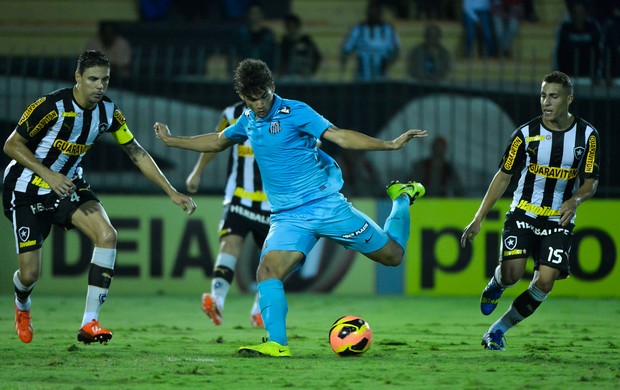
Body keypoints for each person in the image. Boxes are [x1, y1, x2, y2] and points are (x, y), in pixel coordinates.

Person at [154, 58, 428, 357]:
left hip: (326, 206)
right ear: (243, 97)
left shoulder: (296, 111)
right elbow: (218, 141)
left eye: (263, 97)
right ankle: (277, 343)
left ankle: (401, 198)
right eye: (251, 99)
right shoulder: (248, 119)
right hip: (288, 218)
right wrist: (171, 141)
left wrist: (389, 144)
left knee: (393, 256)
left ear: (272, 87)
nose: (259, 105)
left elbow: (339, 136)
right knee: (267, 270)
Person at [3, 50, 196, 345]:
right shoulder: (50, 107)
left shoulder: (108, 112)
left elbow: (136, 152)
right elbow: (12, 145)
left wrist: (171, 191)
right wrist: (49, 174)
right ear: (77, 78)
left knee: (107, 236)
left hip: (69, 186)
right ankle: (22, 305)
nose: (99, 86)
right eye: (93, 79)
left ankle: (89, 323)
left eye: (105, 80)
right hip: (27, 190)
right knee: (30, 274)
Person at [460, 71, 600, 351]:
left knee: (545, 282)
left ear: (569, 99)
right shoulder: (525, 134)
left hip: (557, 218)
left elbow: (591, 182)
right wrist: (478, 217)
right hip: (523, 212)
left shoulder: (588, 135)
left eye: (554, 96)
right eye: (543, 95)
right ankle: (498, 283)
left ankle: (497, 331)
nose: (546, 102)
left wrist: (576, 200)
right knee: (512, 274)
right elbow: (503, 176)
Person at [185, 101, 268, 327]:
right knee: (229, 244)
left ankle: (261, 310)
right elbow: (216, 142)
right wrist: (197, 171)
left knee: (272, 258)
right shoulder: (231, 113)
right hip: (239, 196)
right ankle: (217, 300)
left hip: (273, 203)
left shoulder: (284, 113)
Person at [340, 1, 401, 81]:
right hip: (362, 75)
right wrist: (344, 63)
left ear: (381, 13)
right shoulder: (358, 28)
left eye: (376, 11)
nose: (373, 14)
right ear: (367, 12)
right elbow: (347, 48)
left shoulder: (388, 29)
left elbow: (396, 50)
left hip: (382, 75)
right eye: (371, 11)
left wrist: (388, 63)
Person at [553, 0, 603, 82]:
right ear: (572, 13)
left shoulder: (593, 28)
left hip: (589, 79)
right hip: (568, 78)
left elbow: (599, 52)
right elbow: (558, 53)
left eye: (581, 12)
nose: (579, 15)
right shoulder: (564, 28)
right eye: (576, 12)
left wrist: (598, 75)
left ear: (586, 13)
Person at [232, 2, 278, 72]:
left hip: (265, 76)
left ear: (262, 15)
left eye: (257, 13)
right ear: (247, 15)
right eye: (252, 13)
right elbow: (235, 57)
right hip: (245, 76)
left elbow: (275, 58)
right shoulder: (241, 35)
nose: (255, 17)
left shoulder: (269, 37)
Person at [278, 13, 322, 81]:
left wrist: (311, 71)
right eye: (289, 27)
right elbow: (280, 60)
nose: (292, 30)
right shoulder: (284, 42)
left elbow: (317, 57)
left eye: (293, 27)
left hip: (305, 76)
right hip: (289, 76)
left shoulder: (306, 41)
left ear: (298, 27)